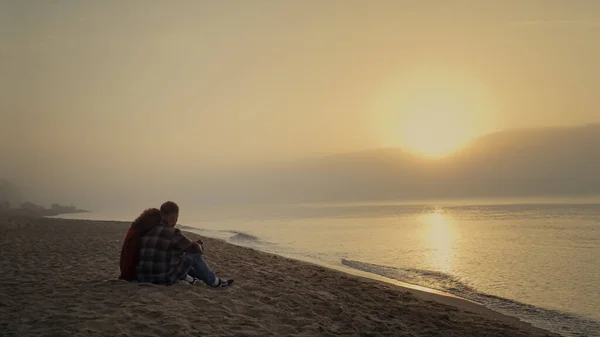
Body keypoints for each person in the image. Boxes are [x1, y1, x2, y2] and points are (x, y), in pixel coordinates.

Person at [136, 201, 233, 287]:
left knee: (180, 257)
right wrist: (199, 245)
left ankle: (195, 279)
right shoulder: (172, 232)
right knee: (194, 256)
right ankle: (215, 282)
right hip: (163, 279)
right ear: (173, 218)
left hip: (144, 277)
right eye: (177, 218)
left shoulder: (149, 230)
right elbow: (195, 249)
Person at [119, 208, 161, 281]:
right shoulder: (137, 235)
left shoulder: (135, 229)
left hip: (127, 271)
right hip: (132, 274)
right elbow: (130, 258)